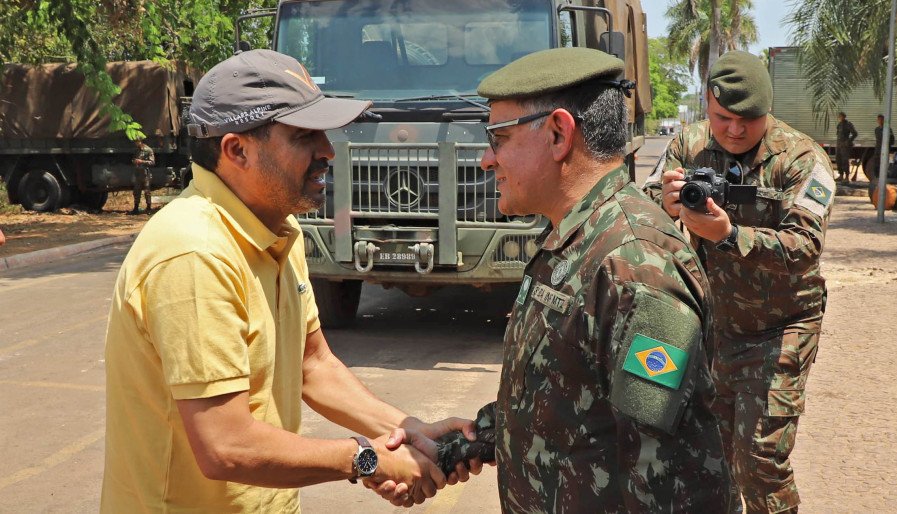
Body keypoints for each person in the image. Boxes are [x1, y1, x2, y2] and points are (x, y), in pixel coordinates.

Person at [101, 49, 477, 513]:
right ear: (237, 149)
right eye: (304, 137)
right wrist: (365, 459)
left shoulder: (279, 225)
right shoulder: (194, 252)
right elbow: (226, 446)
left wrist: (405, 428)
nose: (328, 151)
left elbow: (312, 365)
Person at [391, 47, 733, 512]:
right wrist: (469, 441)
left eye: (499, 138)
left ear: (557, 134)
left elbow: (668, 474)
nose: (486, 161)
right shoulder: (575, 237)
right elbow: (574, 399)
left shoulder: (636, 267)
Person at [643, 50, 834, 514]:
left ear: (767, 111)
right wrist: (662, 205)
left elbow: (804, 246)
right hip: (709, 329)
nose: (733, 130)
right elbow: (640, 209)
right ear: (707, 106)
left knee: (759, 460)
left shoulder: (802, 159)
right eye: (722, 118)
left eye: (748, 119)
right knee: (712, 456)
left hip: (780, 327)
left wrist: (729, 236)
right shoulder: (687, 148)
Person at [131, 138, 155, 213]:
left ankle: (148, 208)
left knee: (147, 191)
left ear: (141, 141)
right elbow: (134, 159)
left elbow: (152, 162)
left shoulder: (148, 150)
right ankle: (136, 208)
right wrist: (134, 161)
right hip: (138, 173)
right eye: (135, 142)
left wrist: (142, 161)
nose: (136, 143)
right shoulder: (137, 150)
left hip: (145, 174)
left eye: (137, 142)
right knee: (136, 191)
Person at [835, 111, 857, 182]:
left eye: (841, 116)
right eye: (839, 116)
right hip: (839, 144)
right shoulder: (839, 125)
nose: (840, 117)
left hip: (845, 145)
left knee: (845, 160)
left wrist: (848, 141)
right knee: (838, 160)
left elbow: (855, 133)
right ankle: (841, 175)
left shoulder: (848, 124)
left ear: (844, 117)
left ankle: (847, 177)